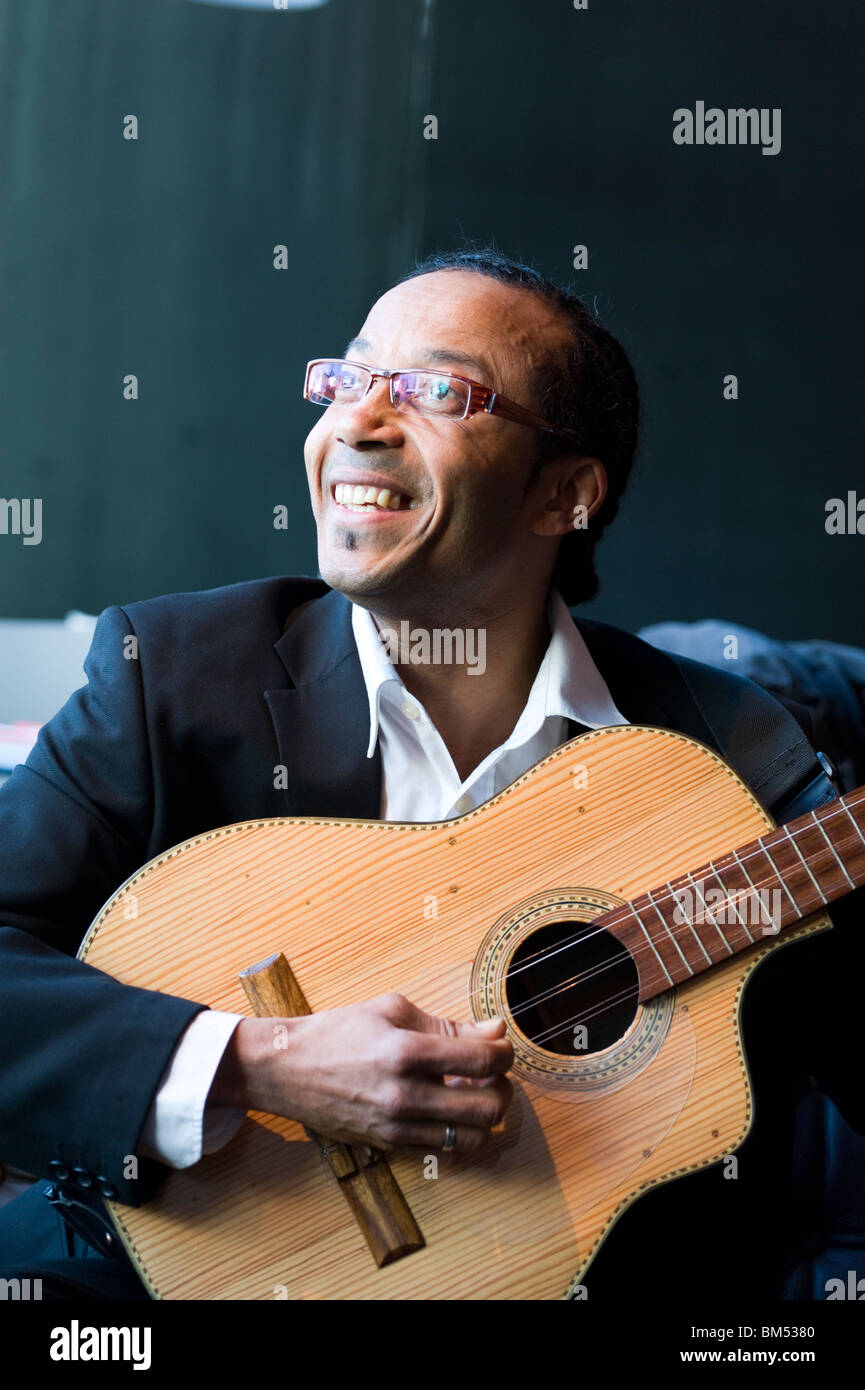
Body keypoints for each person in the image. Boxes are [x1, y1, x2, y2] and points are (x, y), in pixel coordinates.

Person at [0, 249, 861, 1301]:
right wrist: (253, 1064)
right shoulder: (172, 674)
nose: (358, 421)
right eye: (348, 378)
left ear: (564, 493)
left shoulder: (726, 746)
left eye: (436, 391)